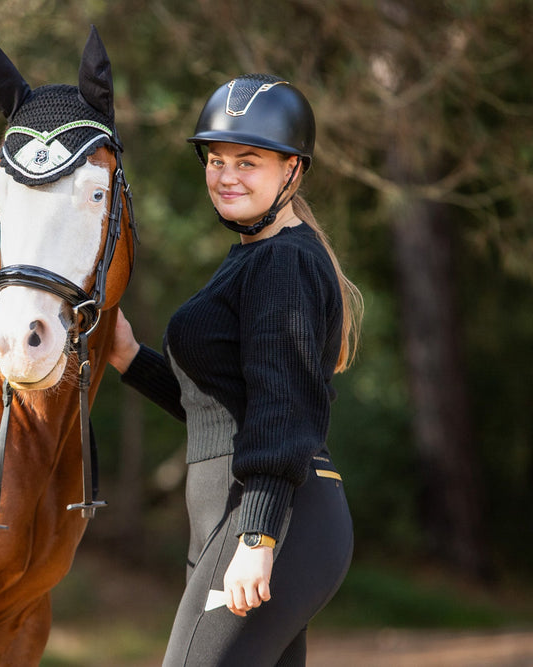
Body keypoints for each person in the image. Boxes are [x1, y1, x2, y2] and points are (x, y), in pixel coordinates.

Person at [109, 73, 364, 666]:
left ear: (293, 170)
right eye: (216, 159)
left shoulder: (284, 264)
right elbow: (222, 408)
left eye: (247, 161)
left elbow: (282, 410)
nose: (226, 175)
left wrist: (258, 537)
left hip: (271, 516)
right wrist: (129, 359)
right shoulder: (256, 258)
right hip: (241, 513)